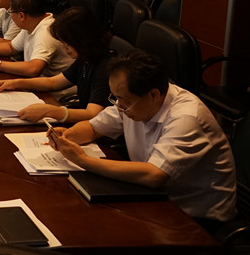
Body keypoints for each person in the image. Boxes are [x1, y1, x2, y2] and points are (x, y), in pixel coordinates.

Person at [48, 50, 236, 226]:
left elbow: (154, 175)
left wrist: (82, 159)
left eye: (124, 100)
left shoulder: (186, 118)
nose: (119, 106)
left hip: (195, 218)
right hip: (153, 196)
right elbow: (94, 127)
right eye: (115, 98)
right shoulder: (134, 102)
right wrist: (69, 135)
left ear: (153, 95)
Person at [0, 6, 113, 123]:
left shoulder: (105, 67)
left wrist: (51, 111)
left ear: (82, 40)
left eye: (67, 44)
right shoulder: (85, 58)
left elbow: (93, 114)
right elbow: (53, 82)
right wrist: (17, 83)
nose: (65, 48)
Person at [0, 0, 72, 77]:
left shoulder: (46, 32)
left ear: (21, 15)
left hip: (52, 91)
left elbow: (34, 68)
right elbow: (11, 47)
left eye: (11, 12)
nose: (11, 16)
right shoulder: (32, 23)